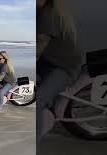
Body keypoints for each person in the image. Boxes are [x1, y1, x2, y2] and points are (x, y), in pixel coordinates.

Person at [37, 0, 83, 141]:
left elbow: (37, 47)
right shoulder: (52, 5)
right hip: (48, 61)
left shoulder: (49, 14)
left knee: (37, 101)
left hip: (62, 67)